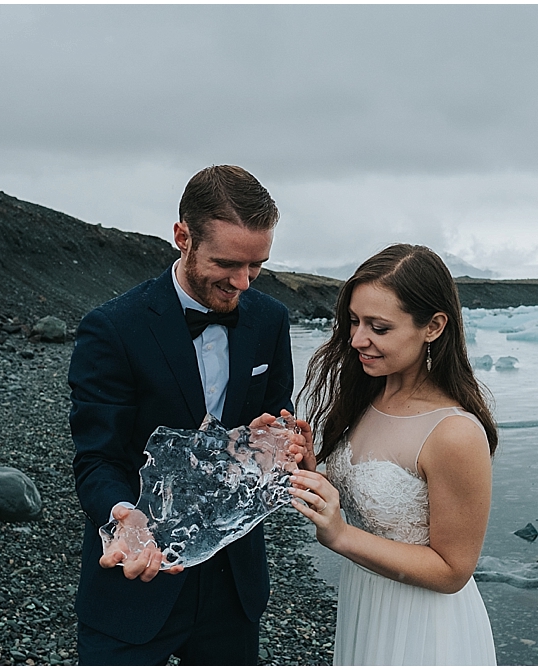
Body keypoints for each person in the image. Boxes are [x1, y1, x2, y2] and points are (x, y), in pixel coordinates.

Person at [68, 165, 312, 665]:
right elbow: (97, 460)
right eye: (227, 263)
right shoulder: (112, 329)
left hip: (234, 586)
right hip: (134, 583)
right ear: (182, 237)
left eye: (257, 266)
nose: (243, 282)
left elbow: (269, 433)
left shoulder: (270, 320)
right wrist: (125, 518)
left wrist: (281, 450)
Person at [290, 243, 498, 665]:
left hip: (425, 628)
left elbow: (453, 570)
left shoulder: (454, 433)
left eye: (378, 328)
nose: (356, 339)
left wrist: (342, 536)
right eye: (354, 321)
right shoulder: (371, 395)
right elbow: (375, 499)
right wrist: (314, 474)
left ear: (434, 326)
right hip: (366, 603)